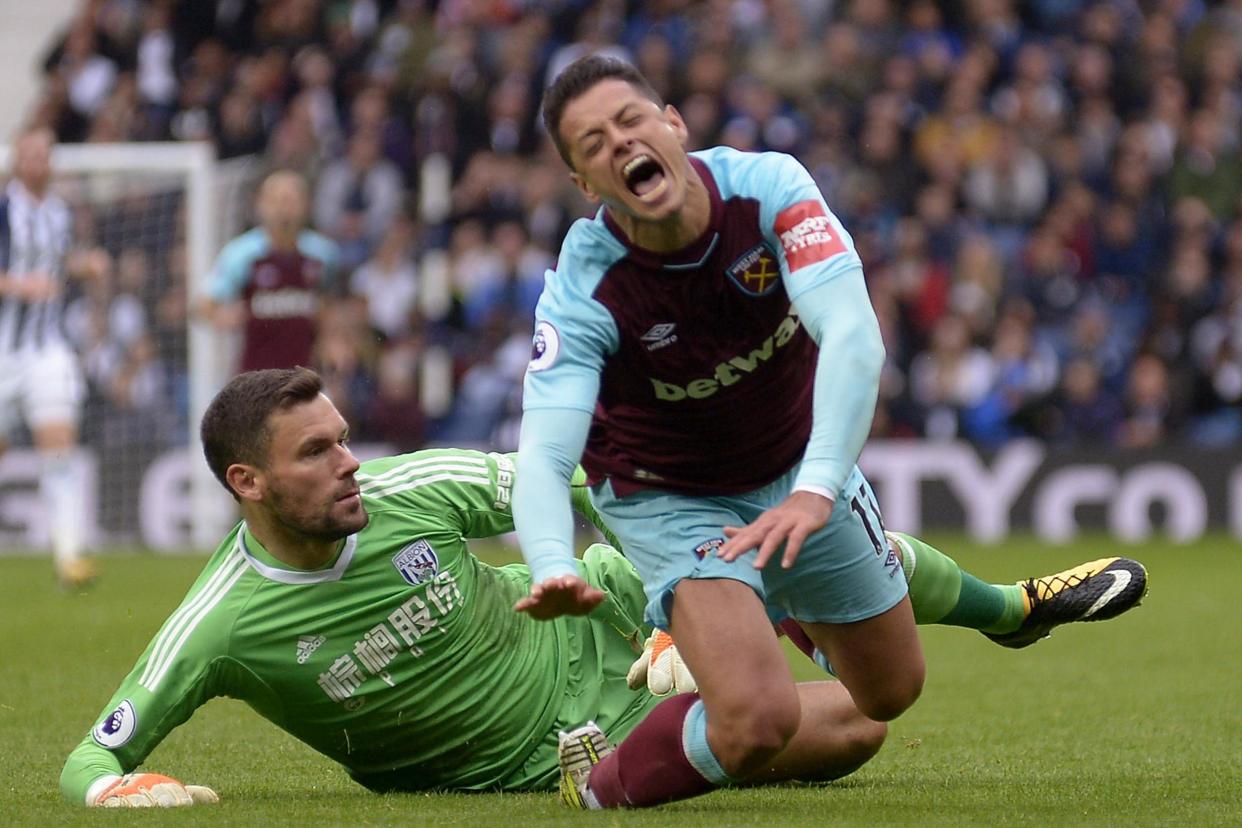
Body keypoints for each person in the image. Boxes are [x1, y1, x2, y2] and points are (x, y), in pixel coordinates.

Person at [510, 56, 1147, 810]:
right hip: (667, 493)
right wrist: (551, 561)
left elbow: (851, 335)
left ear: (672, 123)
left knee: (886, 695)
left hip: (791, 464)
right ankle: (601, 784)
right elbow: (545, 457)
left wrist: (816, 486)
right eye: (592, 145)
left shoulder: (769, 189)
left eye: (630, 121)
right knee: (756, 720)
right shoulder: (586, 286)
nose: (619, 144)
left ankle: (777, 612)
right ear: (586, 186)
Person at [61, 367, 1145, 808]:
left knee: (762, 531)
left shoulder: (414, 488)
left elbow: (575, 477)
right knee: (862, 728)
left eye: (343, 441)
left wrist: (656, 586)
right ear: (246, 483)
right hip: (548, 755)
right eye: (315, 454)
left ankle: (1010, 611)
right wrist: (113, 791)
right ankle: (739, 675)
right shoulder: (222, 624)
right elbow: (90, 753)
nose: (350, 464)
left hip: (604, 617)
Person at [0, 125, 108, 588]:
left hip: (48, 350)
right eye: (29, 155)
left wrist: (83, 267)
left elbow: (58, 265)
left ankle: (69, 557)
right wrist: (18, 286)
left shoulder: (61, 213)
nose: (36, 163)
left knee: (59, 448)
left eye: (44, 154)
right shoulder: (4, 209)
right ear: (16, 161)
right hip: (3, 350)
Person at [201, 170, 340, 372]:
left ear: (306, 205)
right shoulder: (241, 254)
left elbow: (331, 302)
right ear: (261, 204)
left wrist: (331, 337)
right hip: (254, 376)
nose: (284, 209)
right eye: (277, 200)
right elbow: (204, 305)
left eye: (291, 200)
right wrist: (225, 316)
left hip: (306, 376)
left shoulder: (323, 254)